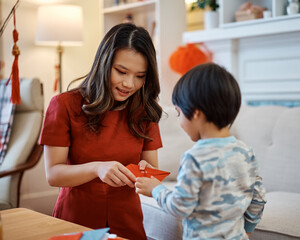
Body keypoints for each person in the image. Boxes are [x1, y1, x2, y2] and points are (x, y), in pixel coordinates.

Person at [40, 23, 163, 239]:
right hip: (76, 218)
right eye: (121, 71)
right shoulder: (64, 105)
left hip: (128, 220)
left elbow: (153, 170)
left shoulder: (145, 111)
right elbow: (53, 174)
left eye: (140, 76)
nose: (129, 83)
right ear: (103, 62)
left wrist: (146, 170)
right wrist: (97, 168)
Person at [135, 63, 266, 239]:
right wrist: (247, 232)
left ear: (196, 113)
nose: (179, 120)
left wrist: (156, 190)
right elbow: (258, 198)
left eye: (179, 113)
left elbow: (180, 206)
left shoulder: (194, 158)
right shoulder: (246, 153)